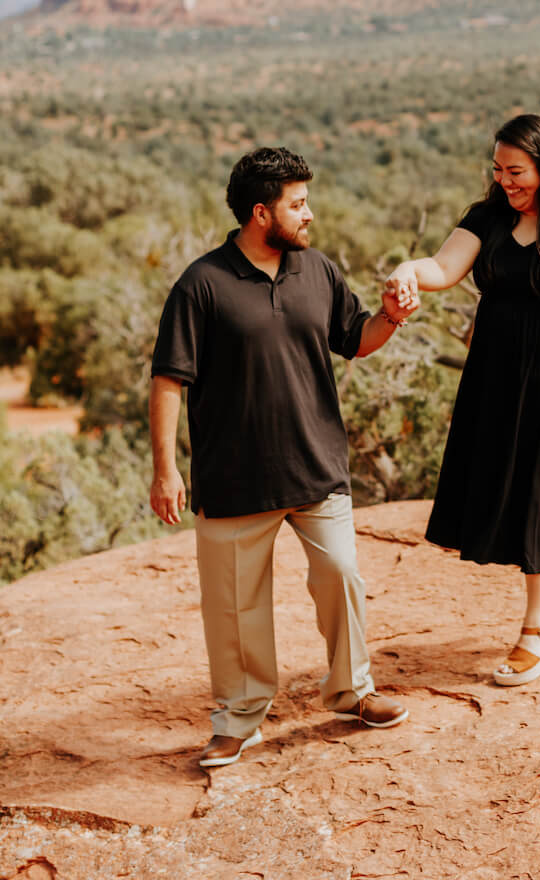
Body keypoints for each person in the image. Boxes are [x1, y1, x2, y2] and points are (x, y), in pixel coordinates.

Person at [150, 147, 414, 768]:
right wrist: (166, 469)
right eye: (298, 204)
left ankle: (353, 692)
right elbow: (168, 381)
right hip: (234, 479)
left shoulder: (316, 270)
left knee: (342, 575)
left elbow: (357, 339)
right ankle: (238, 721)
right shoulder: (201, 284)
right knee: (235, 608)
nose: (310, 214)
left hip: (316, 467)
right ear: (261, 212)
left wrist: (393, 318)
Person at [386, 114, 540, 686]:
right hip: (496, 376)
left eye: (517, 171)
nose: (506, 181)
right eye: (498, 170)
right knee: (525, 483)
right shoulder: (487, 217)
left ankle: (538, 632)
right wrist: (409, 271)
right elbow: (445, 267)